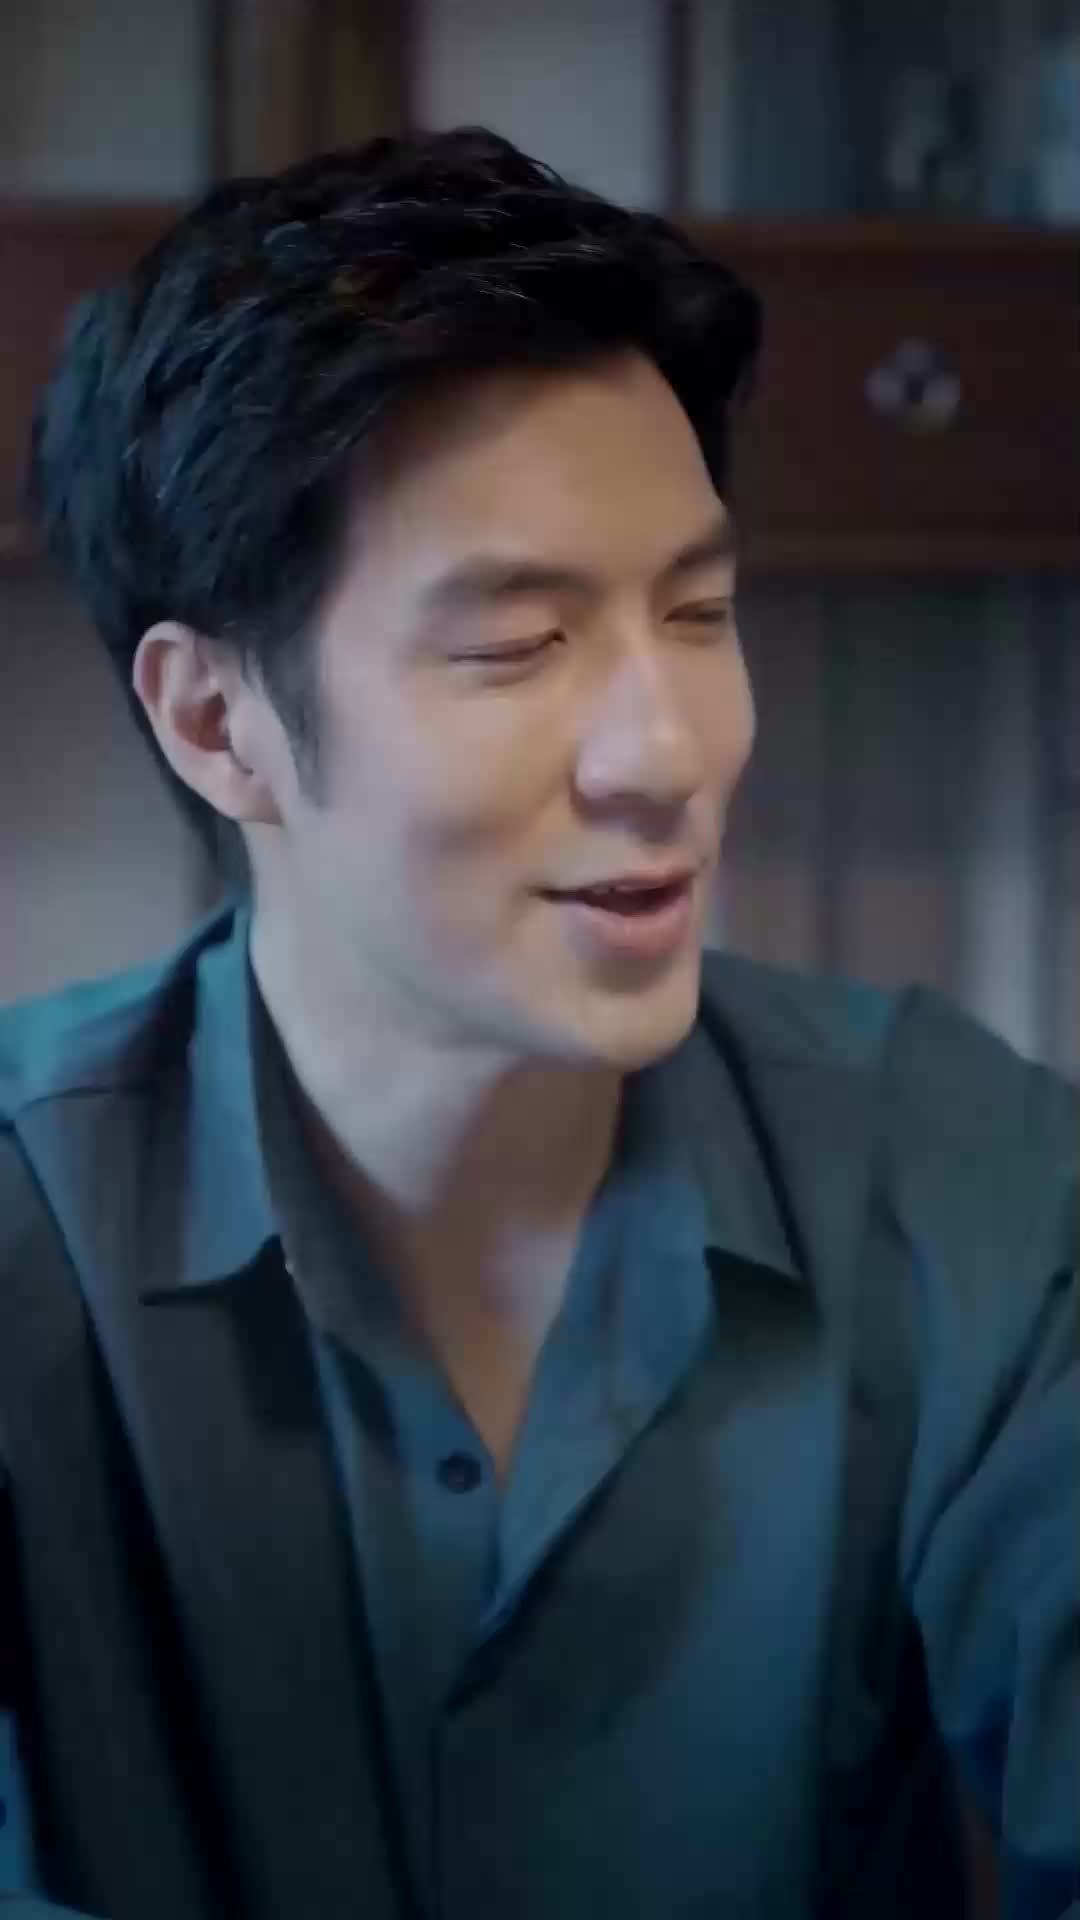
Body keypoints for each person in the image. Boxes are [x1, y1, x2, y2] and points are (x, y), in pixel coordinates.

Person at [0, 128, 1075, 1920]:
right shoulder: (29, 1235)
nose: (670, 749)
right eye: (516, 646)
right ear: (215, 723)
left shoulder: (963, 1175)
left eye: (701, 612)